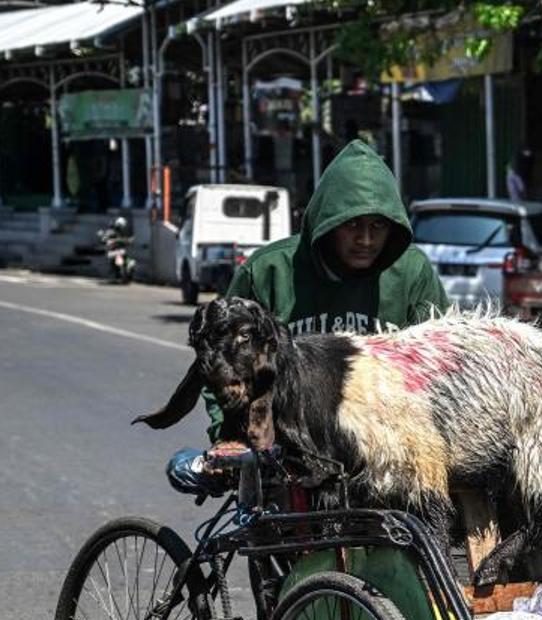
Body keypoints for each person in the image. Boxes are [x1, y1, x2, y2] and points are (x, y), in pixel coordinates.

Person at [166, 139, 449, 492]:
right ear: (329, 223)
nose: (365, 239)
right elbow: (221, 365)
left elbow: (446, 365)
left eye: (378, 226)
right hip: (284, 452)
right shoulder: (269, 272)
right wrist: (229, 435)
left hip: (383, 455)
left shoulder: (413, 274)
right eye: (353, 225)